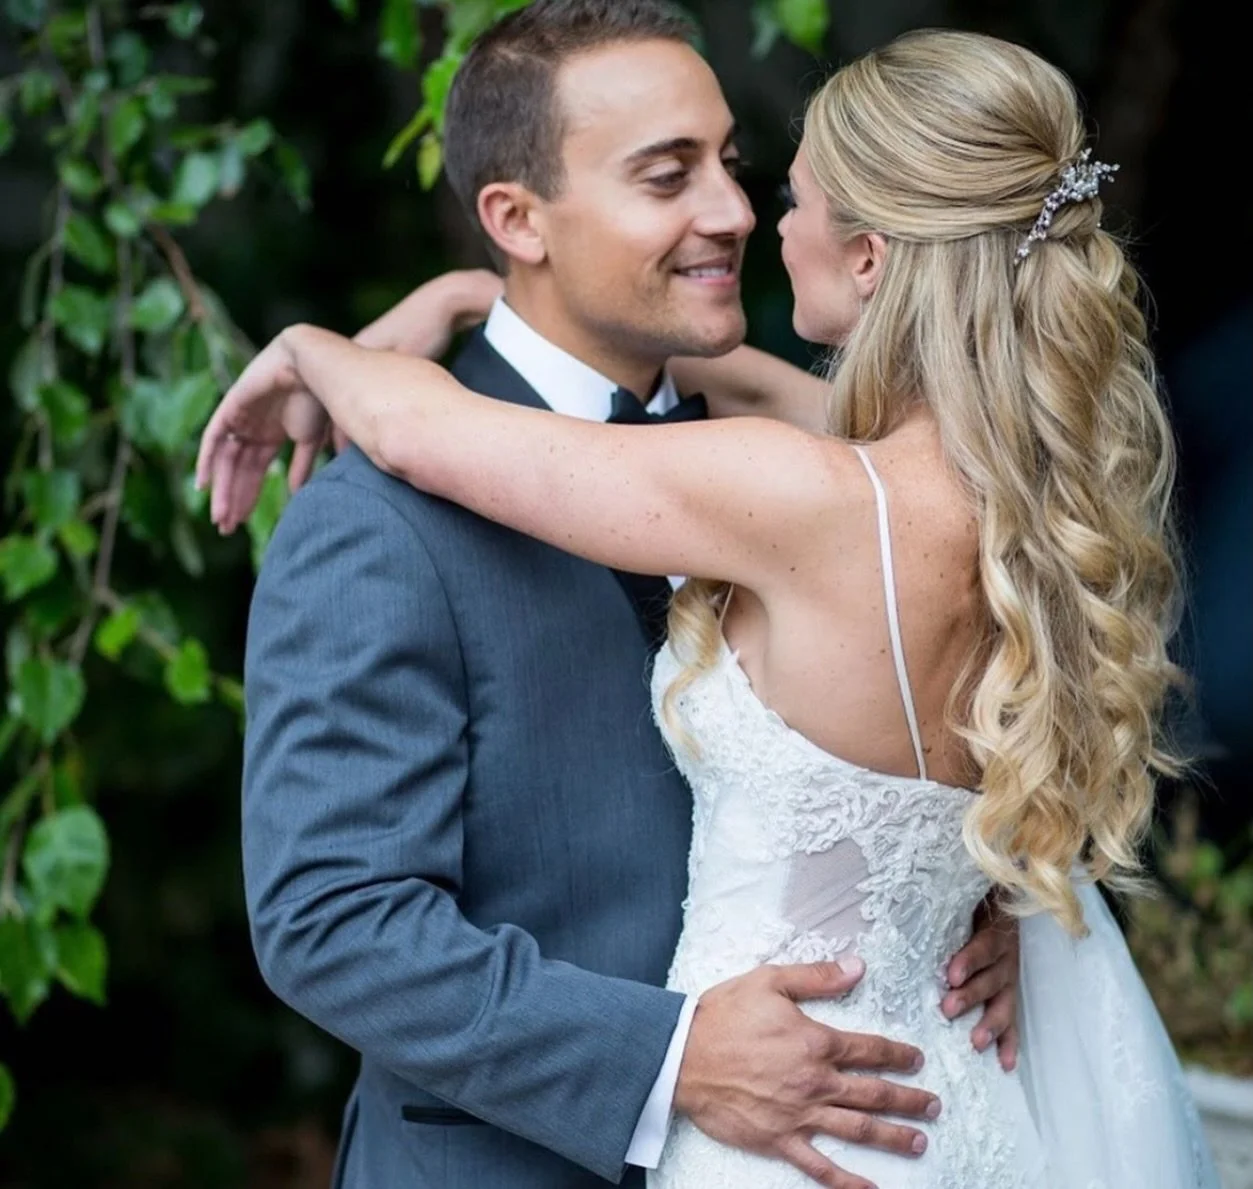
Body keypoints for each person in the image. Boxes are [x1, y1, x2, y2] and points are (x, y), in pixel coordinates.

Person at [200, 23, 1222, 1189]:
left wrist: (982, 906)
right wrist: (667, 1058)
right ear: (516, 218)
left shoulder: (793, 470)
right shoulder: (378, 525)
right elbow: (332, 921)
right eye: (664, 174)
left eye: (736, 167)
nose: (736, 214)